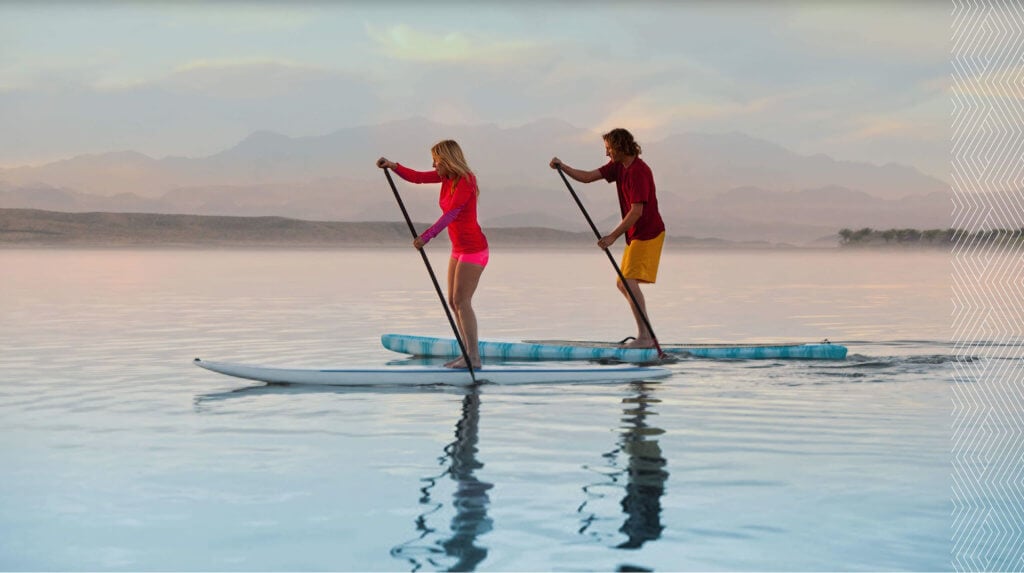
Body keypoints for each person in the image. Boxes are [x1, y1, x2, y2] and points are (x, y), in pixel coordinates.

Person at [549, 128, 665, 349]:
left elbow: (637, 212)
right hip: (635, 235)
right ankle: (646, 335)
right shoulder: (619, 167)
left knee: (627, 282)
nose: (607, 154)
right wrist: (562, 167)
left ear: (621, 147)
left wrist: (611, 237)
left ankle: (646, 338)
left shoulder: (639, 172)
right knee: (623, 283)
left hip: (648, 233)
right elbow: (587, 177)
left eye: (609, 149)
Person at [377, 140, 488, 368]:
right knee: (453, 301)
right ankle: (466, 354)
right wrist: (393, 166)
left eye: (436, 161)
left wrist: (426, 237)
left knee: (462, 301)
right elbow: (417, 177)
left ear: (448, 160)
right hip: (458, 249)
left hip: (474, 249)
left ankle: (474, 358)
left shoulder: (466, 181)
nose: (433, 165)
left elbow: (452, 214)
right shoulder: (446, 177)